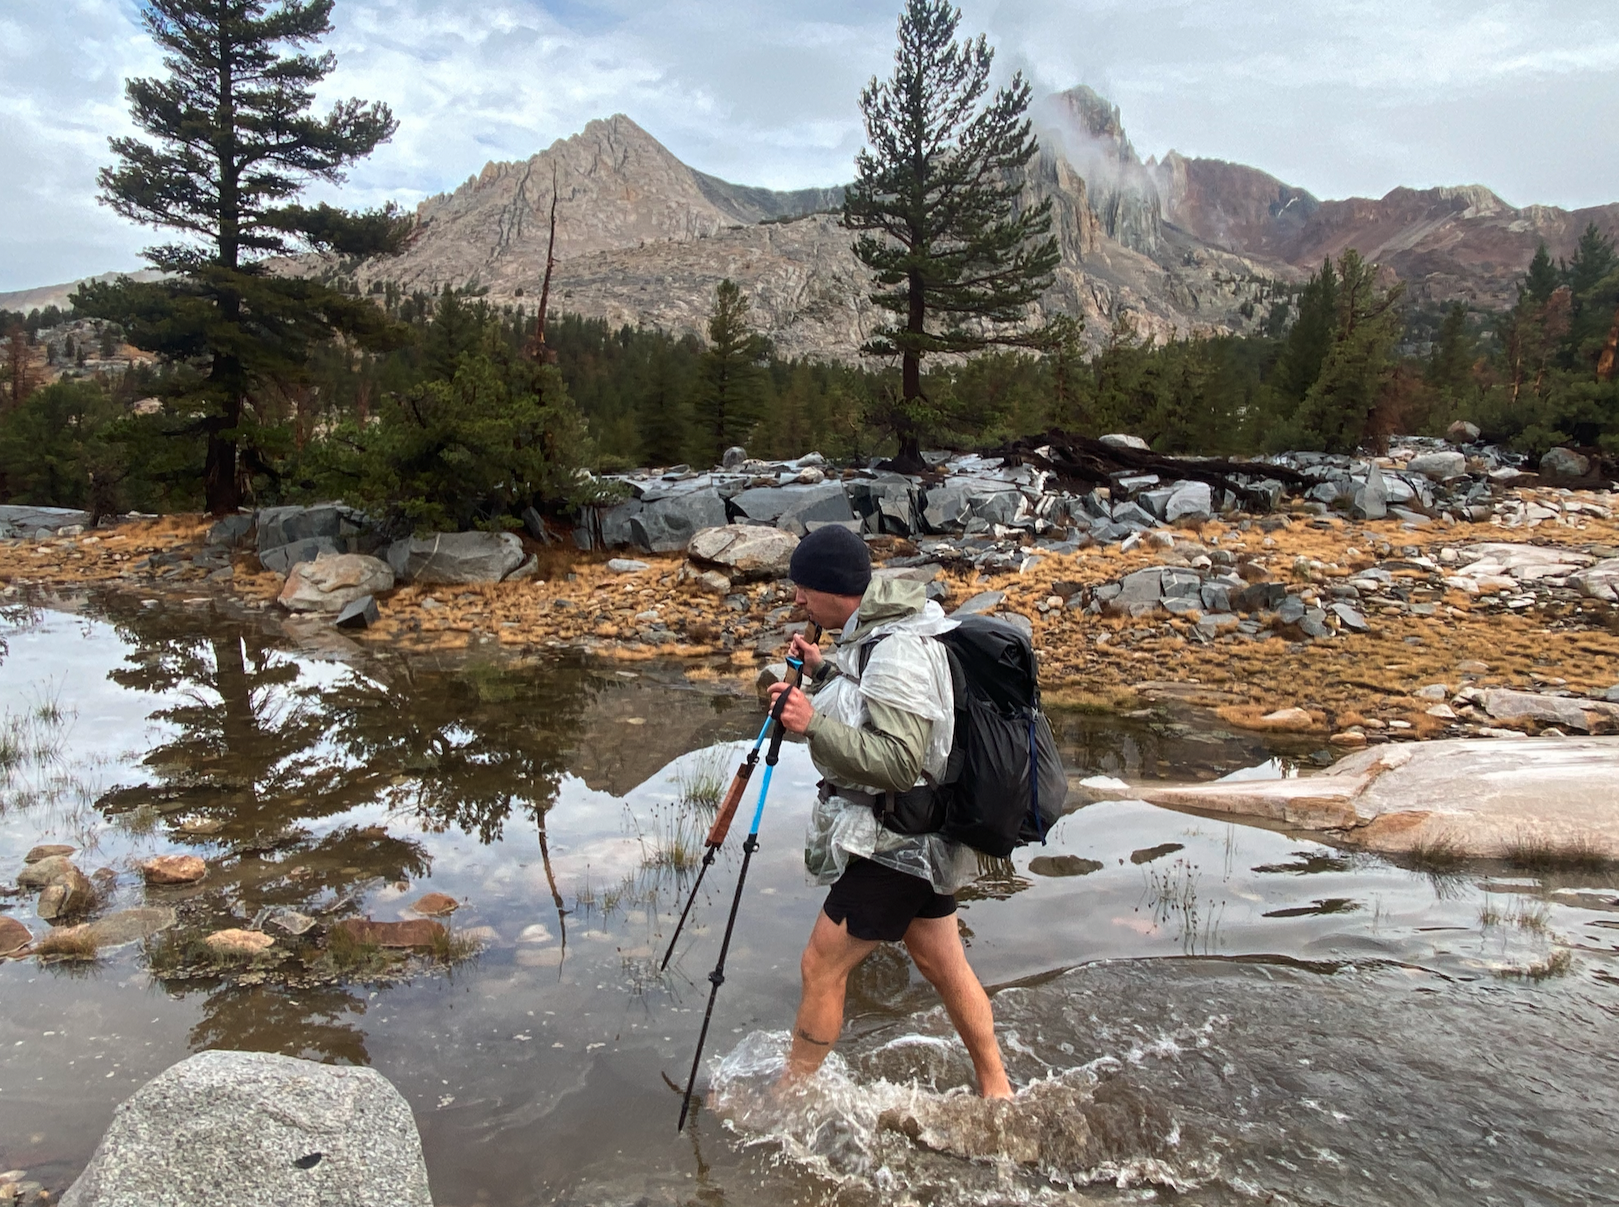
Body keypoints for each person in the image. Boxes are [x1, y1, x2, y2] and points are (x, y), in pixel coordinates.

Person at [765, 524, 1012, 1099]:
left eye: (803, 588)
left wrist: (810, 722)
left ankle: (787, 1099)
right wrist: (824, 672)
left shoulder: (898, 646)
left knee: (820, 965)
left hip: (896, 842)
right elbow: (873, 705)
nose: (796, 600)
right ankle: (997, 1090)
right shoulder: (874, 632)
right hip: (920, 837)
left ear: (833, 589)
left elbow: (901, 761)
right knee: (942, 963)